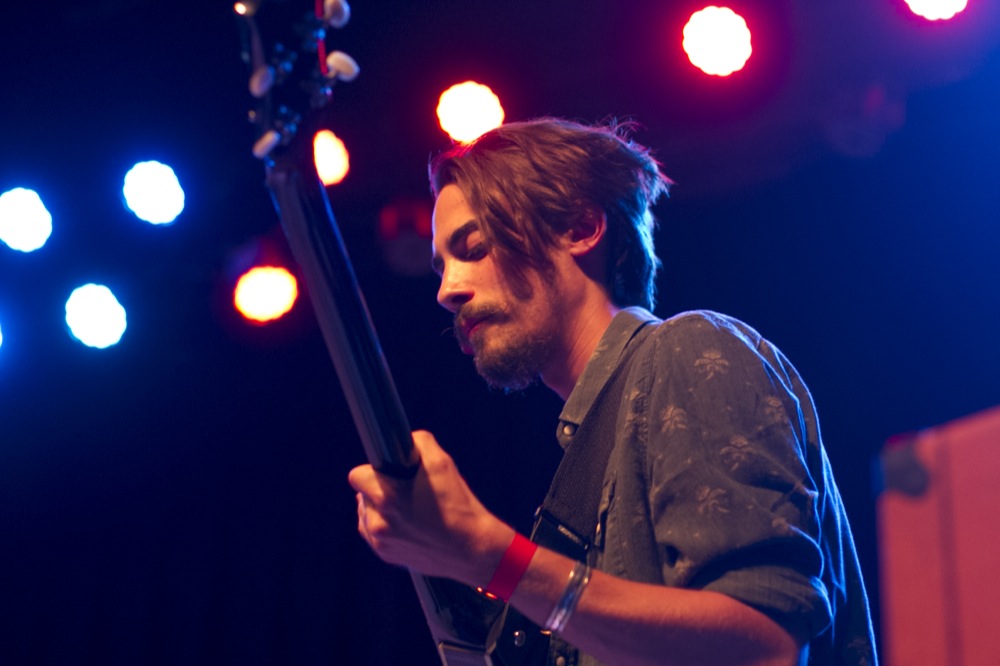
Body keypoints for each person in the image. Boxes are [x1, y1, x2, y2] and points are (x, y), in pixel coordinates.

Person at [348, 118, 877, 666]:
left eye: (475, 247)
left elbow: (763, 649)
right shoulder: (593, 450)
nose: (446, 290)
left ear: (581, 228)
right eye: (441, 266)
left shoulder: (688, 348)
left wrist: (491, 556)